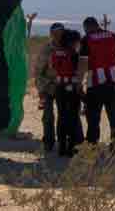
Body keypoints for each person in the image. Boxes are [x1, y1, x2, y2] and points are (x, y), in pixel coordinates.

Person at [79, 17, 115, 145]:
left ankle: (92, 145)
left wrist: (79, 82)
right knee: (114, 117)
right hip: (113, 82)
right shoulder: (112, 36)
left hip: (95, 84)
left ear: (87, 27)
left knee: (93, 118)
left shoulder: (86, 39)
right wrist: (114, 64)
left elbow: (83, 63)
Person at [50, 29, 85, 158]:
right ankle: (71, 147)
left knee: (61, 116)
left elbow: (53, 67)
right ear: (72, 42)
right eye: (77, 41)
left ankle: (61, 146)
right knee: (73, 117)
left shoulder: (55, 53)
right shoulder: (74, 54)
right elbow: (79, 71)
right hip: (72, 87)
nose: (78, 44)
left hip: (59, 87)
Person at [36, 22, 66, 153]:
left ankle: (63, 142)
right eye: (56, 33)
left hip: (65, 87)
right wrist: (42, 89)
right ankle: (48, 142)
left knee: (64, 116)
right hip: (48, 87)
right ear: (51, 34)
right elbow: (38, 71)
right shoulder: (46, 49)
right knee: (48, 117)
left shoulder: (69, 48)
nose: (59, 35)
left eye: (61, 33)